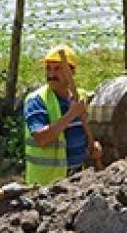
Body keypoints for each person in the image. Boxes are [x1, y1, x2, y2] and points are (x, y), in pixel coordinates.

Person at [24, 44, 102, 185]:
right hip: (46, 185)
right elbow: (41, 138)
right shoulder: (37, 100)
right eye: (48, 69)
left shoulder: (81, 97)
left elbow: (86, 132)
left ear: (72, 71)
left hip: (77, 179)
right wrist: (71, 114)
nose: (51, 75)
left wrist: (92, 147)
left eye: (57, 69)